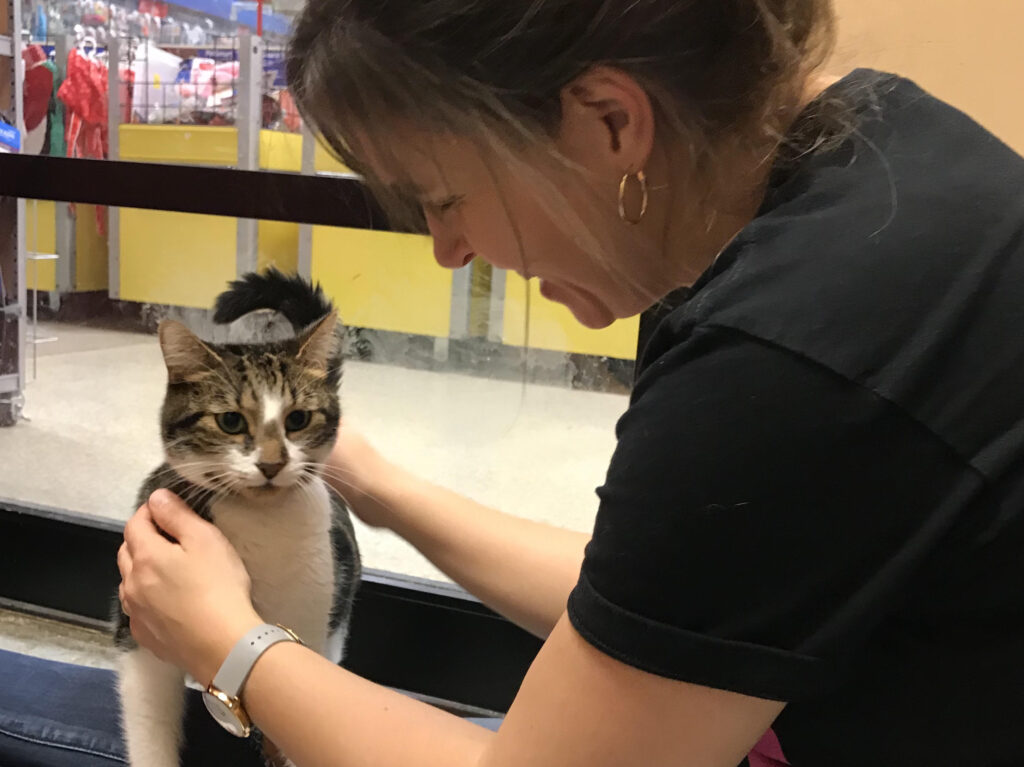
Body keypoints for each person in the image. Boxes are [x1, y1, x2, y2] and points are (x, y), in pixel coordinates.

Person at [4, 1, 1024, 765]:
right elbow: (668, 597)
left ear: (608, 121)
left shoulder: (781, 360)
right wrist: (376, 483)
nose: (449, 252)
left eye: (444, 198)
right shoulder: (888, 159)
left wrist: (233, 645)